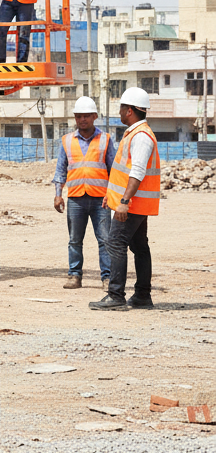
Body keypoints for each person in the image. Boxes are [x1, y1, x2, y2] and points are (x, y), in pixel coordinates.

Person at [90, 87, 161, 311]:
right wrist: (112, 197)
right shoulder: (136, 133)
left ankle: (116, 295)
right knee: (139, 246)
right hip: (134, 203)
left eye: (121, 108)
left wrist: (124, 202)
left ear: (129, 110)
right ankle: (142, 296)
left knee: (116, 243)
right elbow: (122, 172)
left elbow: (137, 172)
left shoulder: (141, 136)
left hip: (133, 204)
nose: (119, 112)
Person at [53, 97, 115, 289]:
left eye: (86, 116)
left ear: (94, 116)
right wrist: (58, 193)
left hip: (101, 199)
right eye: (79, 116)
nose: (82, 120)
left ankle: (107, 277)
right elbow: (61, 169)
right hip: (76, 198)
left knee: (105, 240)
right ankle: (74, 275)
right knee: (74, 240)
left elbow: (114, 170)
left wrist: (113, 195)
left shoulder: (105, 139)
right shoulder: (66, 140)